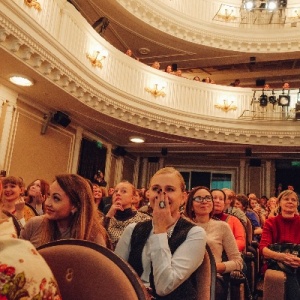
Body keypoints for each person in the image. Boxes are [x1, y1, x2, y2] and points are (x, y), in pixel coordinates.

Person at [115, 167, 207, 299]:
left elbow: (164, 286)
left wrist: (160, 230)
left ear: (183, 198)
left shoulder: (195, 233)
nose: (162, 194)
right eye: (156, 189)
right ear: (148, 194)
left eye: (170, 189)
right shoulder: (132, 229)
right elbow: (116, 274)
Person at [0, 180, 62, 300]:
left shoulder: (31, 214)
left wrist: (22, 211)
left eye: (12, 186)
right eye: (5, 186)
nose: (8, 189)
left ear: (21, 190)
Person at [20, 174, 109, 248]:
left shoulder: (93, 236)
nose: (47, 203)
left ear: (75, 206)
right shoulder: (34, 224)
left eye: (56, 198)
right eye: (49, 195)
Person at [185, 186, 243, 300]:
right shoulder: (183, 226)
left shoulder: (222, 226)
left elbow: (238, 262)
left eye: (207, 198)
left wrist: (213, 267)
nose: (204, 201)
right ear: (191, 205)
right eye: (199, 198)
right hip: (184, 275)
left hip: (212, 276)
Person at [259, 189, 300, 300]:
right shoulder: (271, 222)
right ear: (279, 203)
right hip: (277, 262)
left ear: (297, 204)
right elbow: (263, 249)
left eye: (294, 200)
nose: (290, 202)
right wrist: (283, 257)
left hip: (298, 261)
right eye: (286, 199)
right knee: (290, 272)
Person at [104, 180, 151, 250]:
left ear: (132, 198)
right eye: (116, 191)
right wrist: (108, 216)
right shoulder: (105, 220)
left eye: (124, 191)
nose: (118, 194)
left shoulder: (144, 219)